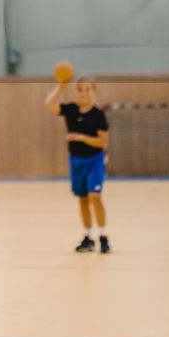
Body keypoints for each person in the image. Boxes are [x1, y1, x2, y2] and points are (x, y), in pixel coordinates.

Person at [44, 72, 110, 252]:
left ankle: (103, 236)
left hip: (94, 160)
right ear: (76, 92)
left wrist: (80, 137)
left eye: (87, 90)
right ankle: (88, 237)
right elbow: (49, 104)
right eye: (80, 90)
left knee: (95, 196)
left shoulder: (98, 115)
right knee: (82, 200)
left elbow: (103, 143)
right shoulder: (71, 110)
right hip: (76, 161)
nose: (83, 93)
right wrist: (61, 85)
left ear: (94, 93)